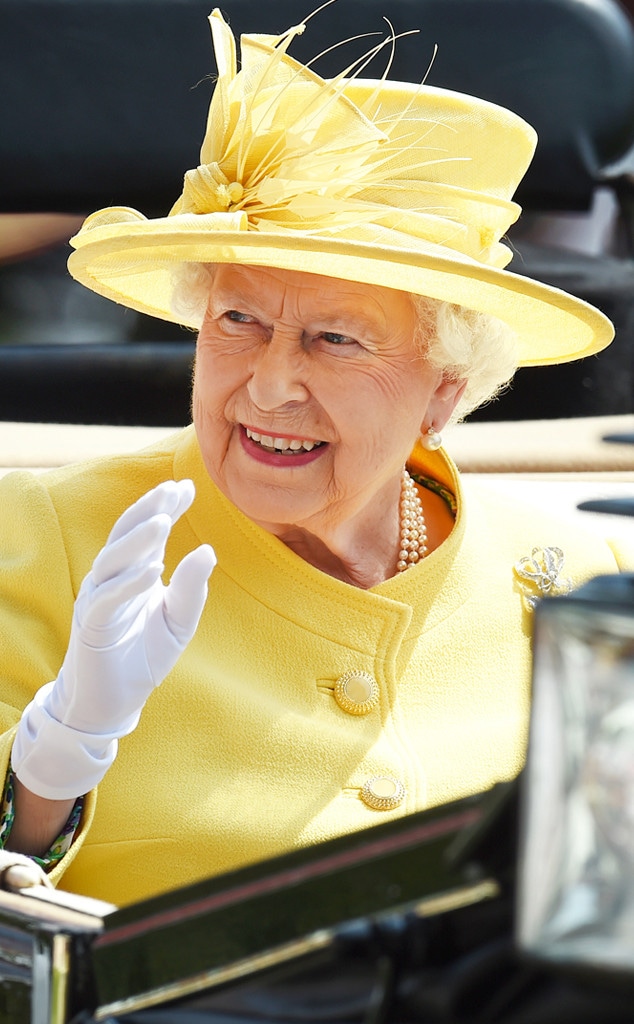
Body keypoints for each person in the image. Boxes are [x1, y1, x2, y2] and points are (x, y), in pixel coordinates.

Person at [0, 6, 631, 911]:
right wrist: (50, 767)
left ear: (445, 389)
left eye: (336, 339)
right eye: (238, 320)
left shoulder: (581, 575)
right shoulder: (37, 538)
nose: (267, 388)